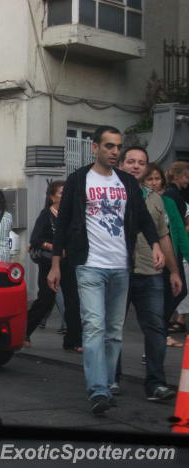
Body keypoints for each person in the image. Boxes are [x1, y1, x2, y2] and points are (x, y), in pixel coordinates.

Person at [47, 125, 164, 415]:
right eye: (109, 146)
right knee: (95, 327)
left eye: (117, 147)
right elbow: (63, 225)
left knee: (114, 332)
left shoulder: (126, 181)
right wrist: (56, 265)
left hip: (121, 267)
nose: (114, 152)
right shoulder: (78, 180)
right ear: (95, 147)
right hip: (89, 266)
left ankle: (108, 382)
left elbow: (143, 219)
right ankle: (98, 389)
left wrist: (155, 244)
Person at [116, 146, 179, 402]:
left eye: (141, 162)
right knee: (113, 328)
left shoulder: (154, 198)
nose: (135, 166)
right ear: (120, 164)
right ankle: (110, 379)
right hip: (117, 270)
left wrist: (174, 271)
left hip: (150, 271)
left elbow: (163, 236)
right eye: (130, 161)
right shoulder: (112, 194)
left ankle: (156, 383)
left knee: (156, 328)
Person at [142, 162, 189, 347]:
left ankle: (159, 328)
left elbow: (178, 229)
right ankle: (157, 333)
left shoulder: (168, 201)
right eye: (150, 179)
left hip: (172, 253)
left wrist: (186, 252)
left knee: (180, 290)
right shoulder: (141, 200)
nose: (154, 182)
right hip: (150, 256)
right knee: (157, 296)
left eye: (156, 178)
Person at [25, 181, 65, 346]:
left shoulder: (70, 214)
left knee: (73, 299)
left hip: (68, 262)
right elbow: (35, 240)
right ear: (52, 197)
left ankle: (74, 340)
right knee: (46, 300)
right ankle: (24, 331)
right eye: (62, 193)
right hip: (48, 263)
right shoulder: (46, 215)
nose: (65, 196)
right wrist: (52, 246)